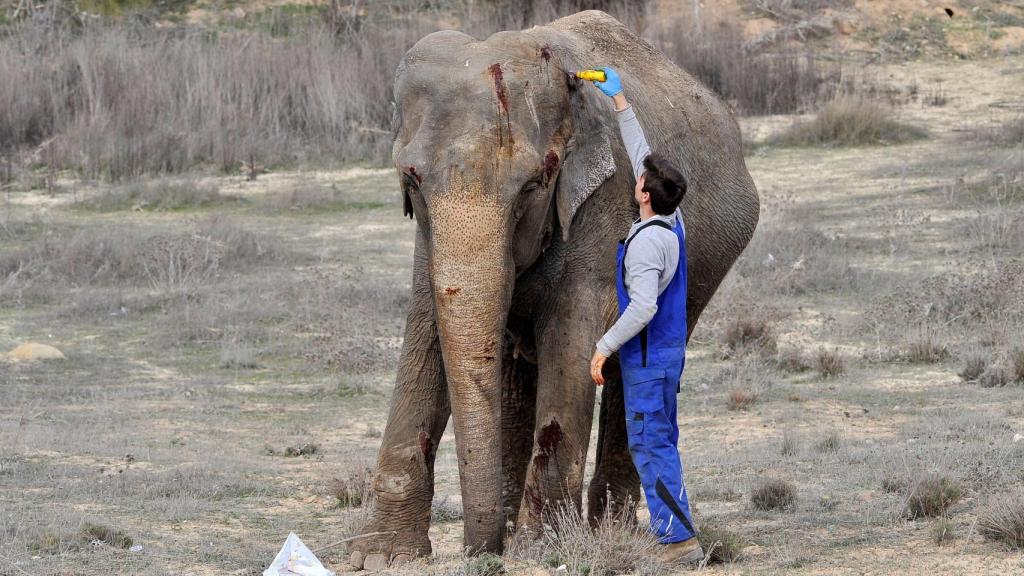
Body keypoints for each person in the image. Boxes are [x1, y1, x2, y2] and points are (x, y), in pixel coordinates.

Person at [586, 67, 703, 566]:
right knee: (659, 441)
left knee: (651, 444)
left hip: (649, 359)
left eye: (640, 180)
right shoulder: (668, 216)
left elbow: (643, 307)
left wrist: (603, 346)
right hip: (665, 354)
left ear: (644, 195)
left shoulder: (646, 246)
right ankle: (676, 530)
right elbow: (643, 157)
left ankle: (678, 542)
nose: (637, 177)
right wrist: (621, 103)